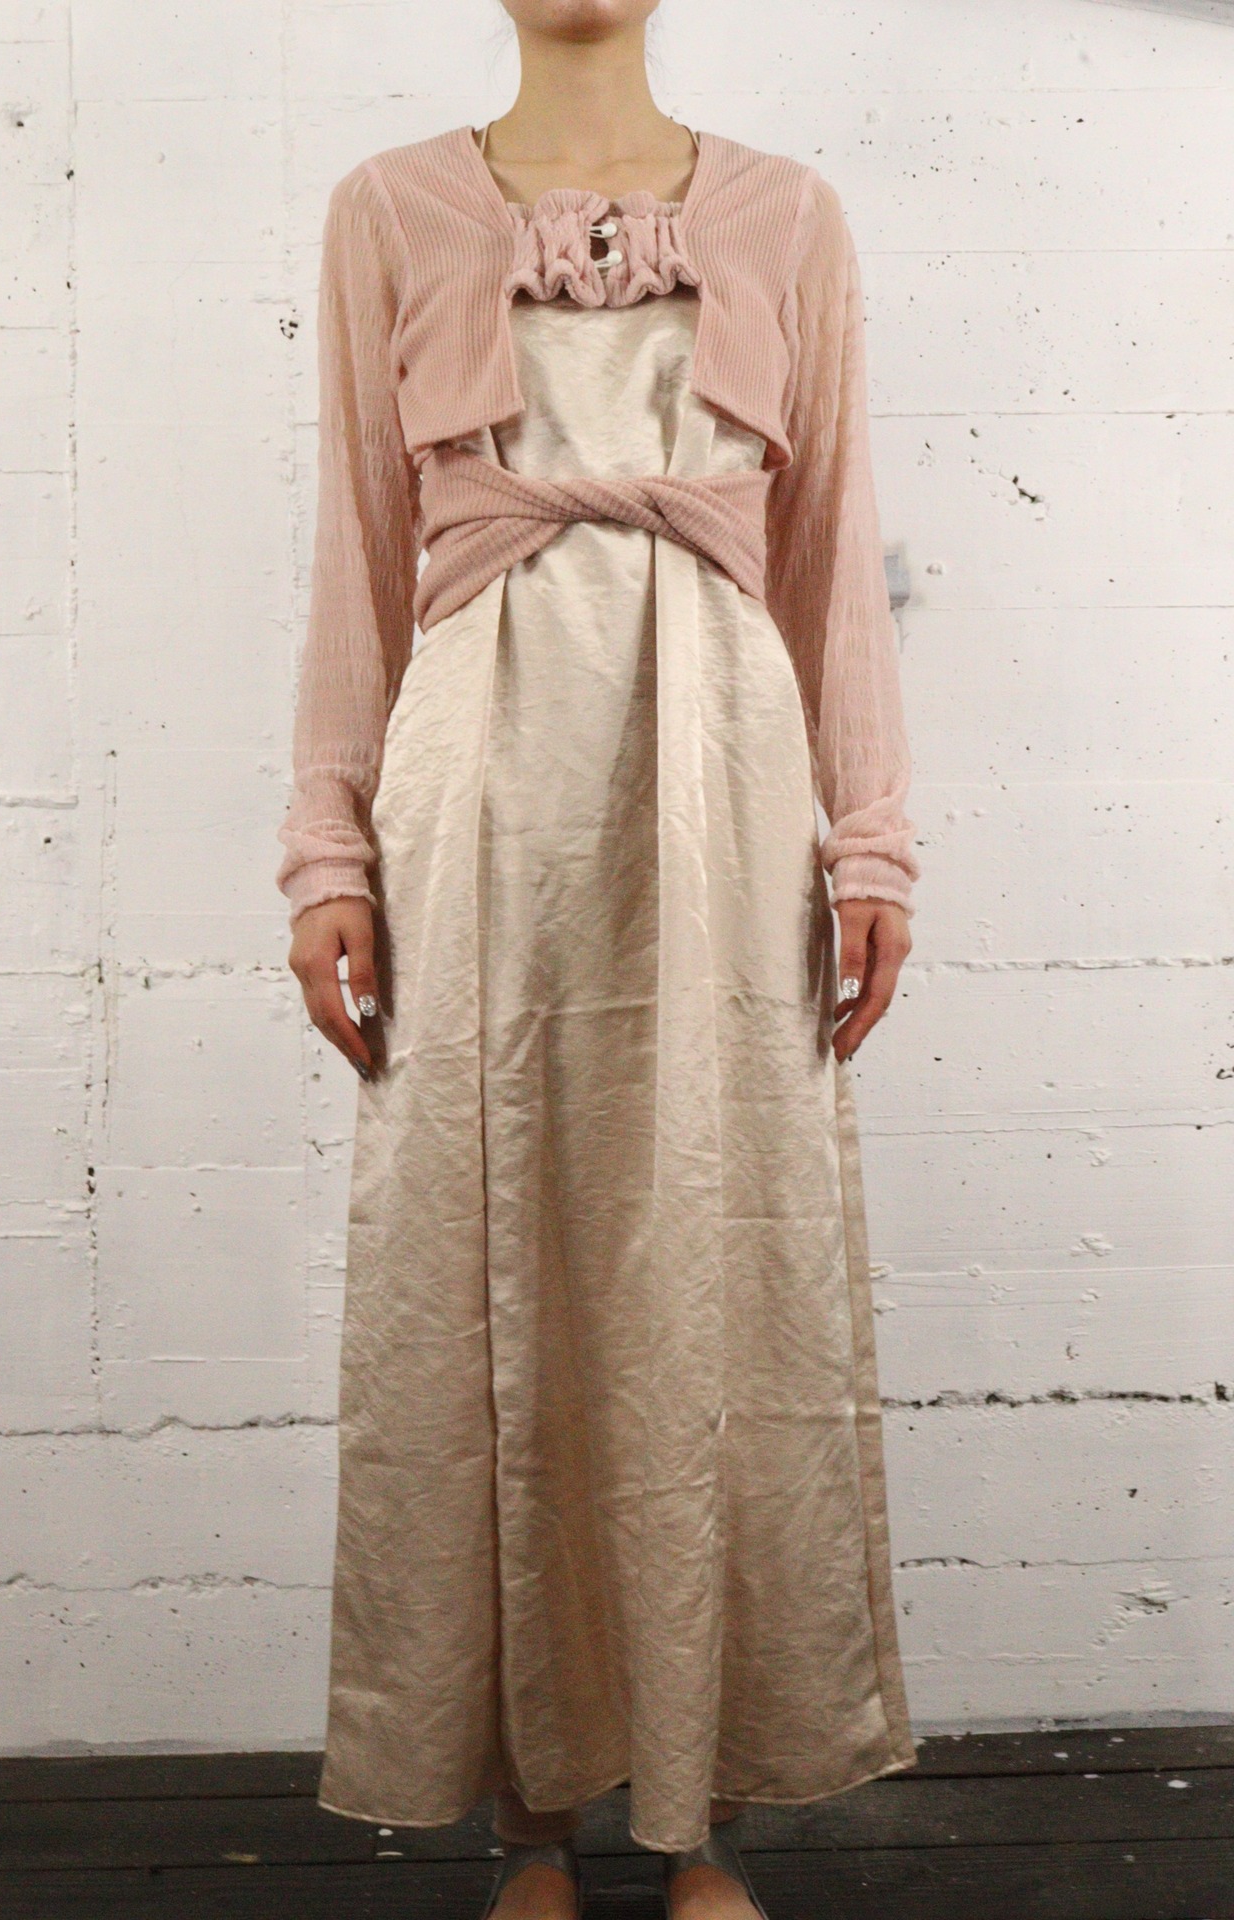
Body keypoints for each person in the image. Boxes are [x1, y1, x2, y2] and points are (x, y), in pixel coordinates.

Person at [276, 4, 921, 1915]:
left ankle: (695, 1818)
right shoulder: (388, 208)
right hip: (474, 785)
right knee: (482, 1269)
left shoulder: (789, 215)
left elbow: (831, 544)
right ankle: (529, 1825)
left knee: (710, 1262)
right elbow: (357, 546)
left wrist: (871, 834)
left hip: (722, 777)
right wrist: (328, 852)